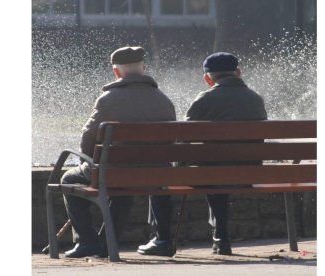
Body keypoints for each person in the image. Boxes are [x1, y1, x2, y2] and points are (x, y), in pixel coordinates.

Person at [138, 52, 267, 256]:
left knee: (167, 173)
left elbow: (183, 139)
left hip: (211, 174)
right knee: (218, 170)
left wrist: (179, 167)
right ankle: (220, 237)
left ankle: (160, 238)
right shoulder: (256, 99)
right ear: (238, 73)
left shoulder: (206, 98)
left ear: (208, 78)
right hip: (249, 174)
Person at [62, 46, 176, 258]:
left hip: (114, 172)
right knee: (122, 181)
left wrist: (94, 161)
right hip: (155, 173)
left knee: (69, 178)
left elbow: (87, 143)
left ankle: (87, 242)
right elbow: (170, 141)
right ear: (143, 68)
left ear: (116, 72)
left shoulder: (107, 99)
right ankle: (106, 243)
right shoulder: (163, 99)